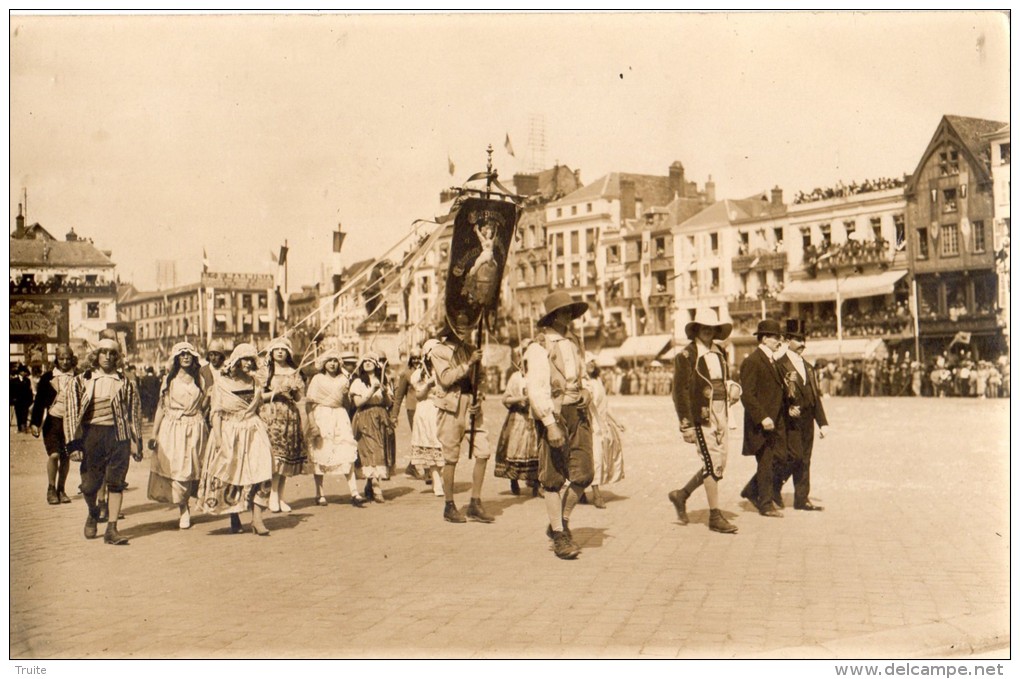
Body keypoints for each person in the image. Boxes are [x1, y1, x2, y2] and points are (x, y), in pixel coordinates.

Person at [524, 291, 595, 559]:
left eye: (571, 311)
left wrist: (586, 390)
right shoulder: (540, 346)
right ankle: (559, 534)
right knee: (552, 477)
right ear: (553, 316)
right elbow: (537, 388)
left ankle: (561, 520)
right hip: (555, 414)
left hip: (578, 411)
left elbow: (583, 374)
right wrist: (550, 424)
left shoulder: (574, 342)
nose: (569, 316)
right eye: (564, 312)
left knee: (584, 473)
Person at [63, 337, 143, 545]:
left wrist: (136, 442)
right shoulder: (81, 381)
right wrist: (73, 444)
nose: (107, 357)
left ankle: (112, 529)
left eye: (112, 353)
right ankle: (93, 512)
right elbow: (71, 414)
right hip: (92, 436)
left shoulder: (126, 382)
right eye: (103, 352)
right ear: (96, 355)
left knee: (116, 483)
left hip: (118, 436)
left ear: (117, 357)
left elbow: (134, 414)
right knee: (89, 486)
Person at [668, 309, 740, 534]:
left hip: (722, 412)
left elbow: (725, 380)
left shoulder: (720, 352)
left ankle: (682, 494)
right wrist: (686, 425)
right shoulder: (686, 356)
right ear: (696, 329)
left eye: (712, 328)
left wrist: (734, 388)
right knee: (712, 463)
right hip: (701, 414)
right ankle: (715, 515)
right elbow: (679, 391)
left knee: (719, 463)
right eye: (704, 327)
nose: (708, 331)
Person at [198, 343, 273, 536]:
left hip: (254, 429)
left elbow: (259, 406)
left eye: (251, 359)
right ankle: (234, 516)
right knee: (234, 475)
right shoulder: (222, 384)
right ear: (236, 361)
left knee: (263, 472)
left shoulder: (255, 382)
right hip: (230, 431)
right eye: (245, 359)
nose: (248, 363)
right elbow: (215, 413)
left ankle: (257, 518)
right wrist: (217, 438)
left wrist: (266, 415)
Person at [430, 322, 494, 524]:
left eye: (465, 324)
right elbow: (447, 378)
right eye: (458, 324)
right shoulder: (438, 352)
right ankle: (449, 505)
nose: (463, 328)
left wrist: (480, 396)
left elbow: (482, 378)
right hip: (451, 407)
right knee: (451, 458)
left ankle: (475, 502)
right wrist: (469, 364)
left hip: (472, 406)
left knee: (483, 452)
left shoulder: (471, 349)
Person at [147, 342, 208, 529]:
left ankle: (192, 500)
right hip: (174, 428)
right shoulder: (169, 380)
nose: (186, 357)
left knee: (194, 468)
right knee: (178, 470)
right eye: (182, 355)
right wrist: (154, 433)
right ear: (176, 358)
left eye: (189, 354)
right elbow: (161, 407)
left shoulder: (200, 379)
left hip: (195, 427)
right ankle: (183, 509)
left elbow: (204, 403)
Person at [738, 318, 788, 518]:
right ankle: (766, 504)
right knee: (766, 462)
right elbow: (747, 394)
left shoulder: (772, 360)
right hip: (763, 423)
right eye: (776, 337)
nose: (779, 341)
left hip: (777, 421)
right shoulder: (752, 361)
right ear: (765, 338)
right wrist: (762, 418)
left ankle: (752, 489)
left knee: (782, 458)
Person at [775, 320, 828, 511]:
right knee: (794, 457)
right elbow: (774, 395)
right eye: (797, 339)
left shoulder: (808, 366)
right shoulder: (780, 365)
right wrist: (786, 408)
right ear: (787, 340)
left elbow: (815, 396)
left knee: (806, 458)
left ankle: (801, 498)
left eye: (803, 339)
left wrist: (822, 422)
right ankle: (772, 487)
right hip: (789, 419)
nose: (802, 343)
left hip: (807, 419)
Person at [305, 348, 363, 507]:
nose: (332, 364)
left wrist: (346, 395)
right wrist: (312, 424)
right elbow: (309, 404)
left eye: (335, 361)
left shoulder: (343, 379)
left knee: (346, 452)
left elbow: (347, 404)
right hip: (322, 415)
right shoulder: (317, 379)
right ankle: (320, 493)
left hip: (339, 416)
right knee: (320, 452)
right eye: (329, 361)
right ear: (324, 363)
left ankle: (354, 492)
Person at [260, 337, 308, 513]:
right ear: (271, 352)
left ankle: (280, 496)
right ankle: (272, 495)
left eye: (283, 349)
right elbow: (258, 396)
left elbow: (297, 398)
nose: (280, 352)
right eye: (276, 349)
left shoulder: (293, 371)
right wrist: (276, 392)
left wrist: (294, 390)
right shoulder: (266, 371)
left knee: (286, 456)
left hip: (289, 415)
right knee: (276, 457)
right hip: (272, 415)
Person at [30, 345, 78, 505]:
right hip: (52, 421)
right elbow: (39, 402)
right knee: (54, 455)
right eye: (61, 358)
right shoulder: (47, 377)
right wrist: (35, 423)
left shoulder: (79, 376)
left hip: (71, 423)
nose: (65, 361)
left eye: (68, 358)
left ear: (72, 359)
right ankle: (51, 488)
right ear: (56, 359)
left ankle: (61, 489)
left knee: (65, 457)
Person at [493, 343, 540, 497]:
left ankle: (536, 484)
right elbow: (505, 399)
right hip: (518, 418)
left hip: (534, 418)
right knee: (516, 449)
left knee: (535, 451)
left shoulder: (537, 376)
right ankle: (513, 480)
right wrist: (521, 399)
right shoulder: (515, 377)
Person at [349, 352, 394, 502]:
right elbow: (357, 403)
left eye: (371, 361)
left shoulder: (383, 380)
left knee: (380, 450)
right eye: (364, 361)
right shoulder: (357, 383)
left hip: (381, 417)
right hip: (365, 417)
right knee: (371, 449)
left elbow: (388, 403)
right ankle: (376, 487)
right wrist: (371, 392)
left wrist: (385, 393)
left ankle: (370, 484)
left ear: (376, 364)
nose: (367, 363)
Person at [584, 353, 625, 508]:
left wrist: (616, 421)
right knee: (595, 458)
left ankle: (584, 492)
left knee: (602, 457)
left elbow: (605, 405)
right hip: (589, 424)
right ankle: (596, 494)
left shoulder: (597, 380)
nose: (592, 364)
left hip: (602, 423)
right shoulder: (583, 383)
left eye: (593, 361)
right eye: (588, 362)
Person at [408, 339, 445, 497]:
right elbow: (418, 396)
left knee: (444, 446)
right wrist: (428, 386)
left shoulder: (445, 371)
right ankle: (436, 480)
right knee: (431, 446)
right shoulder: (419, 374)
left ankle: (441, 476)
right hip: (427, 411)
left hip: (442, 409)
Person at [391, 348, 421, 479]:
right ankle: (414, 466)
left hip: (427, 408)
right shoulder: (406, 374)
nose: (416, 360)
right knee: (418, 436)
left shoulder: (427, 373)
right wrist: (394, 415)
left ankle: (413, 465)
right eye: (414, 358)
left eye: (419, 358)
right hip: (412, 408)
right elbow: (399, 397)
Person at [11, 364, 34, 433]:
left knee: (25, 413)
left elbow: (29, 391)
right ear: (20, 372)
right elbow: (11, 391)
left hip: (25, 400)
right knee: (18, 414)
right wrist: (12, 398)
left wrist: (30, 399)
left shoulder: (27, 380)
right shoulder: (13, 380)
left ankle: (24, 427)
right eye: (23, 371)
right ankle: (19, 428)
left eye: (25, 372)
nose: (25, 373)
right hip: (17, 400)